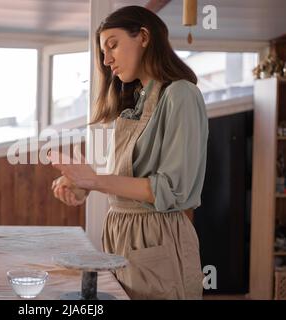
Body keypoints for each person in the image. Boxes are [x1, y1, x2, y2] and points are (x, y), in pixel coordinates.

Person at [49, 5, 208, 300]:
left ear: (144, 37)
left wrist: (94, 180)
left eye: (113, 45)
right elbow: (126, 180)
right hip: (119, 235)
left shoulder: (181, 94)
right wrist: (86, 186)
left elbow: (171, 189)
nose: (107, 59)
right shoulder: (135, 102)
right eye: (103, 52)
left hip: (158, 239)